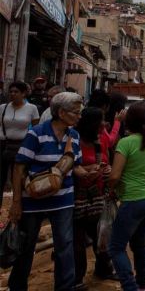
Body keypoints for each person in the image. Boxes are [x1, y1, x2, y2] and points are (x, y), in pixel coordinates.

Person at [9, 92, 87, 291]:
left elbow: (75, 166)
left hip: (63, 200)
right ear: (61, 112)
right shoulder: (36, 133)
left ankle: (65, 287)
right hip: (32, 201)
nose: (79, 116)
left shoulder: (74, 136)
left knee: (64, 246)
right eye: (75, 112)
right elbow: (19, 168)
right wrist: (16, 202)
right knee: (26, 248)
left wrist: (89, 171)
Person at [107, 102, 145, 291]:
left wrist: (109, 190)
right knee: (138, 243)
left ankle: (130, 287)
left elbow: (114, 175)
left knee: (116, 247)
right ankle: (142, 284)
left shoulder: (126, 143)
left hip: (132, 200)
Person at [74, 107, 116, 289]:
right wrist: (88, 170)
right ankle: (76, 279)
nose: (104, 123)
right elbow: (70, 165)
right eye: (101, 120)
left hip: (97, 197)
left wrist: (106, 170)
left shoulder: (99, 141)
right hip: (77, 198)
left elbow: (105, 161)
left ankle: (103, 268)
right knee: (77, 242)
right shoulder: (74, 141)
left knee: (101, 236)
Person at [0, 81, 40, 211]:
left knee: (19, 180)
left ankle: (18, 211)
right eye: (11, 91)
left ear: (24, 93)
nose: (12, 94)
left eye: (16, 92)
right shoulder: (3, 107)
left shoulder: (32, 108)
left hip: (21, 147)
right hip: (3, 146)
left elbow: (36, 129)